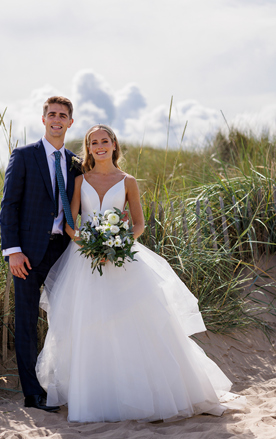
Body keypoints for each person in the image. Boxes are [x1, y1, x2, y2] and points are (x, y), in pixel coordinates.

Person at [35, 124, 236, 422]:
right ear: (88, 148)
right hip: (85, 258)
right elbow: (70, 223)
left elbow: (139, 224)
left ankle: (145, 394)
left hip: (121, 256)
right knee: (88, 323)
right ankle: (95, 395)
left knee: (136, 321)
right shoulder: (80, 181)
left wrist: (117, 244)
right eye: (93, 142)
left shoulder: (128, 181)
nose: (100, 146)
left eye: (105, 141)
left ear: (114, 145)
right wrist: (89, 244)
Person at [0, 96, 81, 413]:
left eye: (63, 115)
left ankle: (65, 386)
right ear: (43, 119)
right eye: (52, 114)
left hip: (63, 252)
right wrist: (13, 251)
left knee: (66, 319)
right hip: (28, 255)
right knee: (26, 323)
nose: (57, 119)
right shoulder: (24, 156)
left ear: (70, 122)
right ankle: (33, 394)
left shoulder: (75, 163)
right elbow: (9, 206)